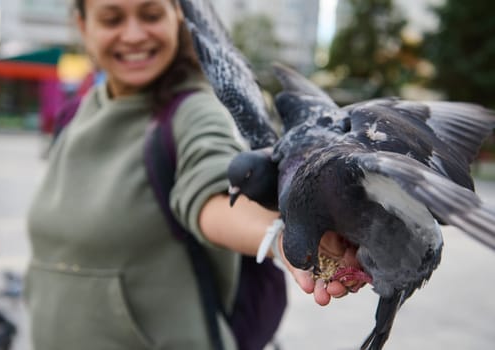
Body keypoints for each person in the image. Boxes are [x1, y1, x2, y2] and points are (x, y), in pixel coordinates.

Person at [25, 0, 362, 349]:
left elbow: (211, 193)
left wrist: (284, 238)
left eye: (151, 15)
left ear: (178, 17)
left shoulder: (195, 111)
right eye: (112, 19)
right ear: (83, 25)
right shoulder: (78, 112)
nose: (134, 34)